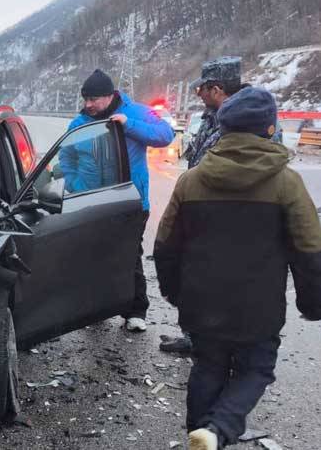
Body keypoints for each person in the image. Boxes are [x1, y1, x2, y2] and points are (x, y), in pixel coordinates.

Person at [153, 87, 321, 450]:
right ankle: (216, 431)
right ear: (269, 129)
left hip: (201, 302)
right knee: (255, 369)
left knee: (208, 366)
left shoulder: (191, 180)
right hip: (257, 309)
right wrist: (312, 302)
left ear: (224, 130)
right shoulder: (286, 183)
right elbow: (309, 250)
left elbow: (165, 245)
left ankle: (201, 433)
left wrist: (173, 291)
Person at [161, 57, 283, 354]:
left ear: (216, 89)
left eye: (201, 89)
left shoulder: (253, 119)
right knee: (198, 277)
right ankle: (196, 336)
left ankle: (224, 346)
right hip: (203, 207)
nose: (198, 95)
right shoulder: (210, 117)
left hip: (233, 214)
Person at [63, 69, 174, 332]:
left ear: (110, 96)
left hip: (130, 201)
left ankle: (136, 310)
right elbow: (66, 156)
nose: (88, 105)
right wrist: (74, 183)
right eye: (86, 99)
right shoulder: (80, 122)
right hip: (91, 202)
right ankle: (96, 308)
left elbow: (165, 135)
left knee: (128, 255)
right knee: (93, 254)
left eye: (94, 99)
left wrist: (129, 125)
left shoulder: (135, 112)